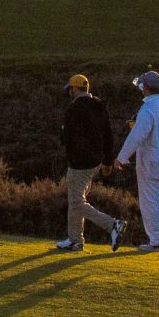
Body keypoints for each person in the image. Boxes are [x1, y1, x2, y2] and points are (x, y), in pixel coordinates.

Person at [55, 73, 121, 252]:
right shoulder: (99, 106)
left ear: (75, 89)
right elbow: (108, 135)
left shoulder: (74, 108)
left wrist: (63, 134)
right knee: (76, 199)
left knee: (76, 202)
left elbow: (66, 137)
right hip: (96, 162)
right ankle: (75, 239)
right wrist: (107, 161)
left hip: (79, 162)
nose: (70, 92)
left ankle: (112, 224)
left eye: (71, 89)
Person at [115, 69, 159, 252]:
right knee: (155, 197)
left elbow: (136, 136)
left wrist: (121, 158)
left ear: (147, 88)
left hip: (152, 160)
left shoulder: (148, 109)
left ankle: (157, 242)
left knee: (149, 201)